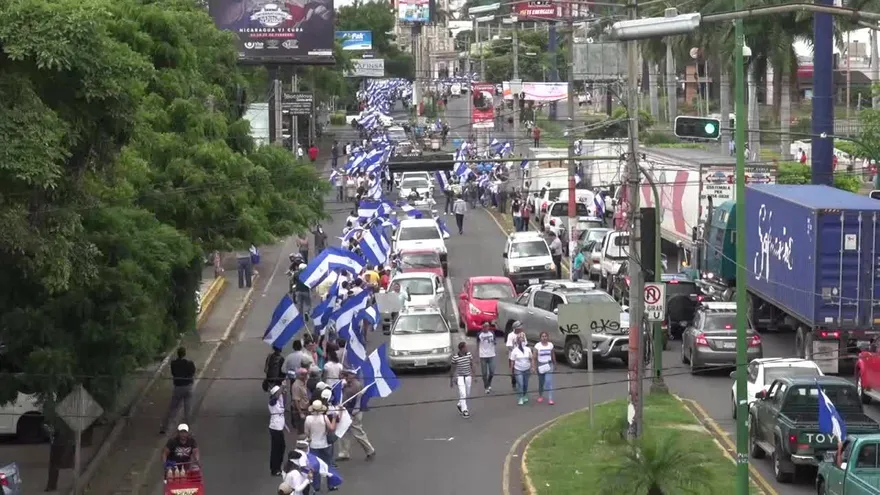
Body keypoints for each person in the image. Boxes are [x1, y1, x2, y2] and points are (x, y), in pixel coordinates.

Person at [337, 369, 376, 461]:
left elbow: (358, 399)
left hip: (354, 412)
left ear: (354, 375)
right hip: (346, 410)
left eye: (348, 374)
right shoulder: (346, 384)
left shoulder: (356, 385)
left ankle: (370, 450)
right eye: (346, 374)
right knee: (343, 431)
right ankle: (343, 453)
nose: (346, 376)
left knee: (357, 432)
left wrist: (355, 410)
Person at [160, 347, 195, 434]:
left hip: (178, 387)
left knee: (173, 408)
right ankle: (188, 429)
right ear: (185, 354)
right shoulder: (189, 363)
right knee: (187, 410)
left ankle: (165, 428)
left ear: (178, 354)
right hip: (188, 387)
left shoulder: (173, 364)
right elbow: (192, 372)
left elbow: (173, 373)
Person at [304, 400, 337, 492]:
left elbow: (306, 433)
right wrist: (334, 418)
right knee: (329, 465)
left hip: (313, 446)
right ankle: (331, 485)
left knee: (314, 467)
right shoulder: (324, 417)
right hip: (325, 445)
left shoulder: (308, 419)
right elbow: (331, 428)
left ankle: (316, 486)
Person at [450, 341, 475, 418]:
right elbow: (453, 368)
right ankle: (465, 410)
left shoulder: (469, 354)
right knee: (463, 393)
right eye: (465, 347)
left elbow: (471, 364)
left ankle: (460, 404)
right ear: (462, 349)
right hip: (460, 377)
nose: (467, 348)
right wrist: (451, 379)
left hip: (468, 376)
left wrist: (474, 375)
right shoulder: (455, 357)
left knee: (467, 393)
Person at [510, 333, 534, 405]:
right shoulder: (515, 350)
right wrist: (512, 371)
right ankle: (520, 397)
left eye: (522, 339)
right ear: (517, 341)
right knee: (520, 383)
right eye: (520, 340)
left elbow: (531, 359)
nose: (521, 341)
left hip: (527, 369)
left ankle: (524, 395)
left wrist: (532, 367)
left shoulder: (528, 349)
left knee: (525, 384)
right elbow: (512, 361)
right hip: (518, 369)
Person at [533, 331, 557, 405]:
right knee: (541, 382)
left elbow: (552, 354)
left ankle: (550, 398)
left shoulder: (550, 345)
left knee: (548, 381)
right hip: (541, 365)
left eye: (545, 336)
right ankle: (540, 395)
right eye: (542, 336)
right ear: (540, 338)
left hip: (549, 365)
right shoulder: (537, 346)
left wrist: (555, 363)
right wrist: (533, 366)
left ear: (547, 337)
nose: (544, 338)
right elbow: (534, 357)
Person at [269, 385, 287, 475]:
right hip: (275, 427)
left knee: (282, 447)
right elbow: (274, 399)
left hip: (280, 427)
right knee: (277, 448)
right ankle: (275, 469)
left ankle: (278, 466)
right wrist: (281, 388)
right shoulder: (272, 402)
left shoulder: (280, 400)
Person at [476, 322, 497, 393]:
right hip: (483, 355)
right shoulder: (479, 334)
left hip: (491, 354)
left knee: (492, 372)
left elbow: (495, 342)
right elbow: (477, 344)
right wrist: (476, 356)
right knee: (484, 373)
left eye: (488, 326)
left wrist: (494, 342)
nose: (487, 328)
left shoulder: (492, 333)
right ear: (483, 327)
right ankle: (486, 387)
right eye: (485, 327)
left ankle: (489, 382)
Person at [291, 368, 311, 437]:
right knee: (302, 432)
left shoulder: (304, 383)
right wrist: (300, 413)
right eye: (304, 375)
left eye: (306, 374)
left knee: (306, 430)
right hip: (301, 410)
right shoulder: (296, 385)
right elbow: (296, 401)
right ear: (300, 376)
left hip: (306, 409)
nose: (306, 376)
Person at [505, 321, 525, 390]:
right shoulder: (511, 335)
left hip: (521, 357)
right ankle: (514, 382)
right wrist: (515, 351)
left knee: (521, 370)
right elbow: (509, 346)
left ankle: (520, 383)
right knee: (513, 371)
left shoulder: (523, 334)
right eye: (520, 327)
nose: (521, 329)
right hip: (512, 357)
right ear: (516, 328)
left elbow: (525, 344)